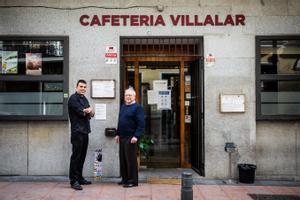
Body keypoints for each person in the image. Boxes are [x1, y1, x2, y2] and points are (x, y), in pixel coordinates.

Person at [115, 88, 145, 188]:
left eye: (130, 95)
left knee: (131, 160)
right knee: (123, 159)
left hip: (131, 138)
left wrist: (136, 136)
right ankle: (125, 179)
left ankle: (133, 181)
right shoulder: (123, 106)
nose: (128, 97)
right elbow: (120, 121)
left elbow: (141, 124)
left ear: (134, 96)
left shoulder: (138, 108)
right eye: (126, 95)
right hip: (122, 137)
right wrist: (117, 134)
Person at [68, 79, 95, 190]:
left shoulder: (84, 99)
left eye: (84, 87)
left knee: (82, 156)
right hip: (77, 132)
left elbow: (91, 113)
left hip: (85, 131)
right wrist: (87, 111)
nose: (83, 88)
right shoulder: (73, 99)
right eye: (81, 86)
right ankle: (73, 181)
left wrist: (89, 111)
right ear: (76, 87)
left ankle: (79, 177)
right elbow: (81, 112)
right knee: (76, 156)